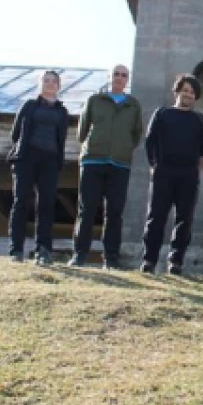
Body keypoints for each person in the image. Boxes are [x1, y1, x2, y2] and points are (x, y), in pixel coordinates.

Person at [70, 64, 144, 270]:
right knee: (87, 209)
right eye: (116, 74)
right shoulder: (94, 100)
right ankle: (79, 255)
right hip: (93, 161)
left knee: (114, 212)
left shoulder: (133, 105)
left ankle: (111, 258)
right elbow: (81, 131)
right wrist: (95, 145)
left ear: (128, 79)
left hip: (120, 164)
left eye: (124, 75)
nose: (119, 78)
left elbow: (137, 134)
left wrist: (124, 148)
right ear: (109, 77)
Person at [139, 74, 203, 276]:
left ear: (195, 97)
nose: (187, 94)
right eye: (185, 90)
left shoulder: (199, 119)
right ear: (177, 91)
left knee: (184, 218)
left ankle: (176, 261)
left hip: (188, 173)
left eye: (192, 92)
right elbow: (150, 141)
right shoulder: (162, 114)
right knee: (156, 217)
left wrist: (200, 168)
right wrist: (153, 164)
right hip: (164, 171)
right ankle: (149, 260)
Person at [6, 70, 69, 266]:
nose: (50, 84)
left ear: (59, 86)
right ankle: (16, 249)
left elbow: (62, 138)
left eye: (53, 81)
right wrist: (25, 150)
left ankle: (43, 250)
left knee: (47, 205)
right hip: (27, 158)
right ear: (40, 84)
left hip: (50, 160)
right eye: (46, 80)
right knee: (21, 201)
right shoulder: (29, 105)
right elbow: (16, 133)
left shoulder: (62, 111)